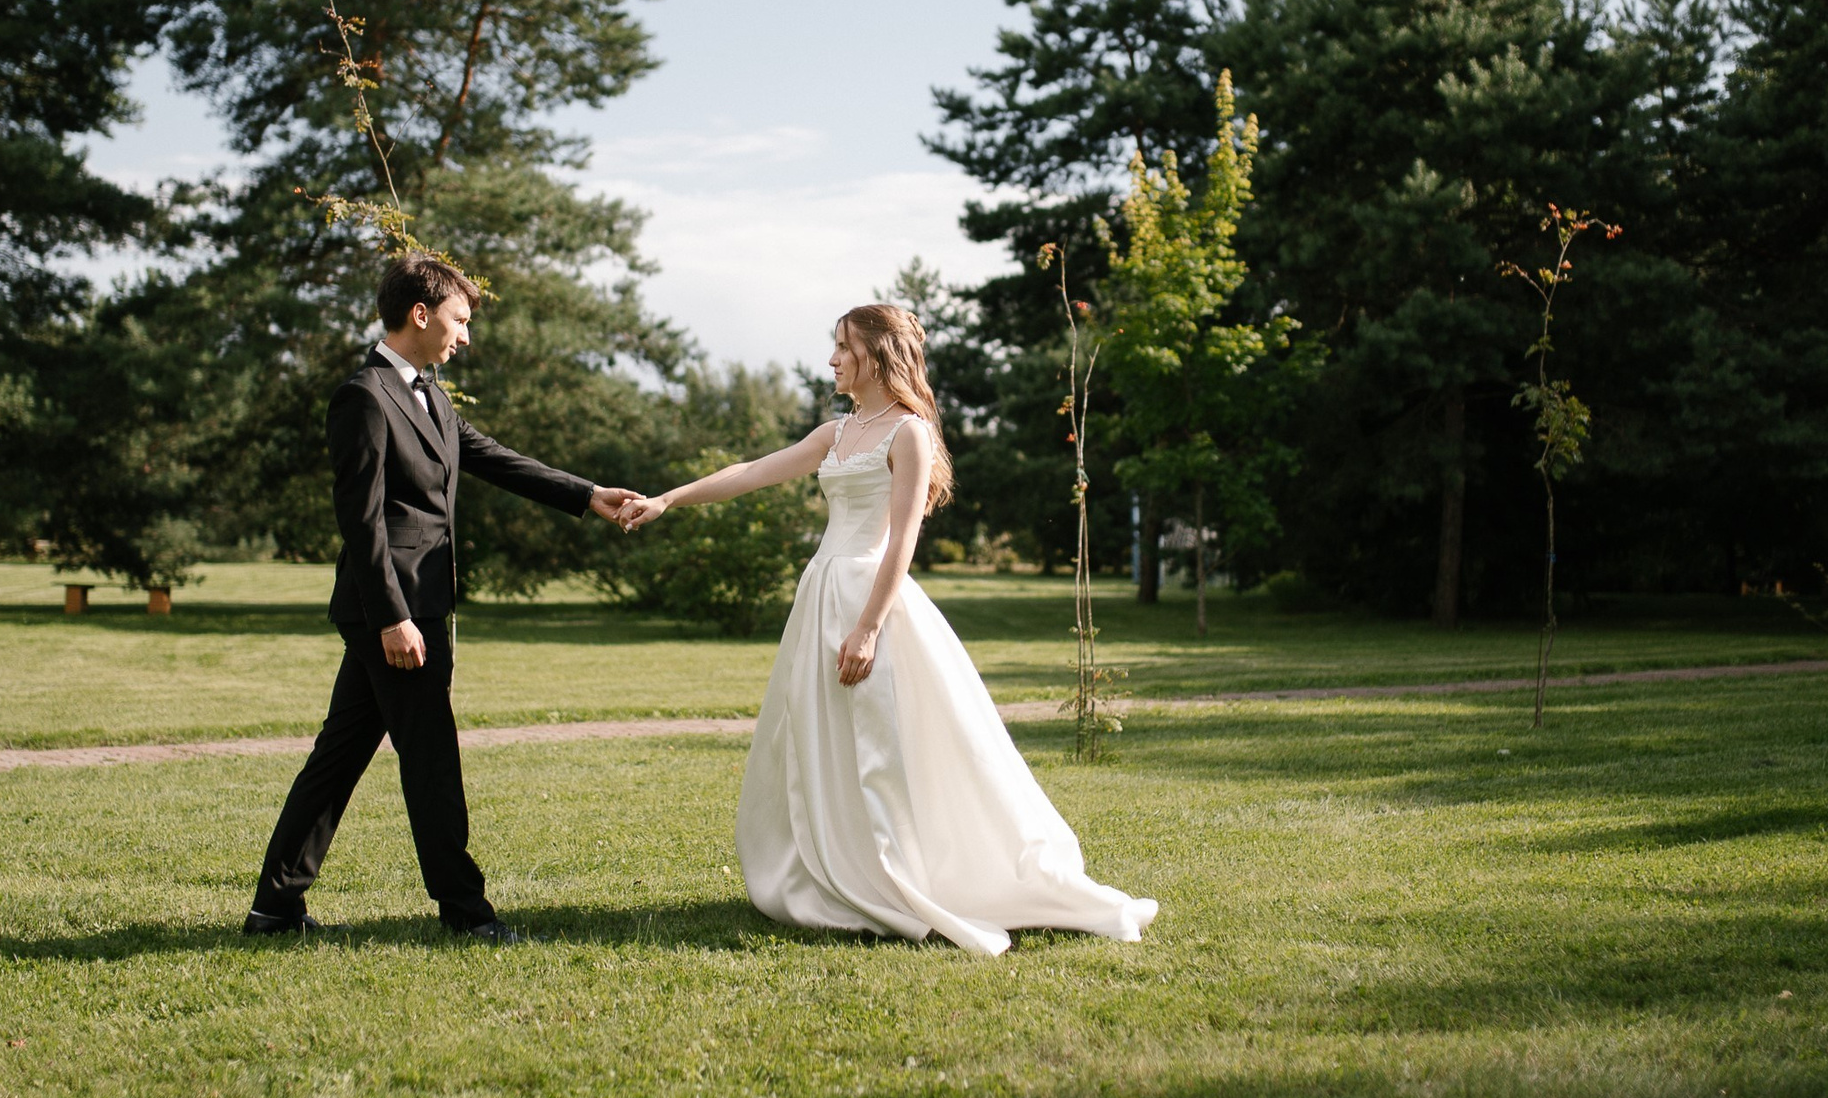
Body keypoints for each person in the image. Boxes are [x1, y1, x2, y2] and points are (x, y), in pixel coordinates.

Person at [619, 303, 1156, 955]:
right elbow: (751, 472)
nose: (833, 359)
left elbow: (903, 541)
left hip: (874, 599)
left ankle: (906, 873)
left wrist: (869, 628)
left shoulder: (909, 433)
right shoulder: (838, 432)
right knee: (829, 740)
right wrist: (668, 499)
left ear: (877, 353)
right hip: (822, 595)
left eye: (843, 346)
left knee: (882, 744)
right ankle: (841, 866)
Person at [245, 252, 639, 942]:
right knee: (431, 760)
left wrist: (587, 495)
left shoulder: (431, 394)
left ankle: (273, 910)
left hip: (420, 606)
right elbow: (361, 522)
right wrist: (393, 616)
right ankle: (467, 915)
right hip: (397, 613)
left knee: (337, 759)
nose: (465, 336)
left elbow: (488, 455)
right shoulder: (363, 396)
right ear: (419, 315)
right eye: (459, 321)